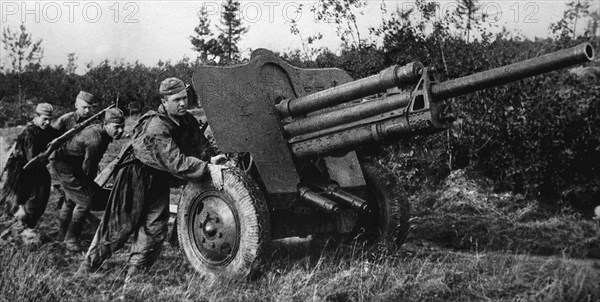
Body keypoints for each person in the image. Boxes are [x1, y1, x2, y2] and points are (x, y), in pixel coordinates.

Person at [77, 77, 226, 278]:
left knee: (155, 226)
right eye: (176, 100)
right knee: (120, 226)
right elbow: (175, 161)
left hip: (159, 177)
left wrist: (212, 157)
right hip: (136, 174)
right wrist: (206, 168)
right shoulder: (156, 125)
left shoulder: (186, 120)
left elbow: (199, 145)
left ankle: (136, 270)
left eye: (184, 98)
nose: (183, 103)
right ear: (164, 102)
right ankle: (88, 267)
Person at [51, 108, 125, 252]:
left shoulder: (100, 133)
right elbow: (89, 168)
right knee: (85, 200)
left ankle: (62, 235)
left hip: (70, 164)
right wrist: (89, 187)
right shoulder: (96, 140)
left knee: (71, 199)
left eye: (122, 127)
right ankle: (70, 239)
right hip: (65, 167)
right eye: (116, 127)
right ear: (106, 124)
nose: (120, 131)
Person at [0, 103, 57, 242]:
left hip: (35, 168)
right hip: (21, 170)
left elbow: (57, 136)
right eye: (44, 119)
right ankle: (15, 227)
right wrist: (48, 155)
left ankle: (25, 224)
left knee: (40, 196)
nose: (47, 122)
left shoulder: (46, 129)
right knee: (17, 198)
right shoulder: (29, 133)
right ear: (36, 117)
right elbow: (32, 159)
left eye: (50, 119)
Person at [50, 91, 98, 211]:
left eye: (90, 108)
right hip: (63, 161)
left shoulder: (93, 121)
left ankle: (70, 212)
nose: (87, 111)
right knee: (76, 195)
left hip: (81, 161)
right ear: (76, 105)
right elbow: (51, 137)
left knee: (79, 191)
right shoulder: (66, 119)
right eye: (84, 107)